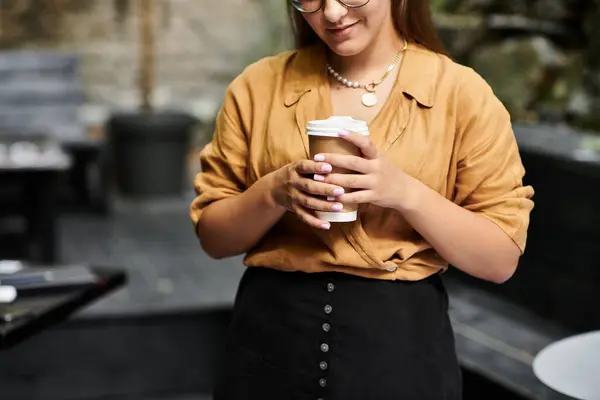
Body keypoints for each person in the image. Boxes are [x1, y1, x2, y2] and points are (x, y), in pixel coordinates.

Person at [190, 0, 535, 398]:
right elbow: (214, 240)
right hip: (269, 344)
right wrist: (274, 192)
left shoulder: (461, 94)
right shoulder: (258, 87)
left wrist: (404, 193)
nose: (332, 13)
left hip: (398, 352)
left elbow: (500, 260)